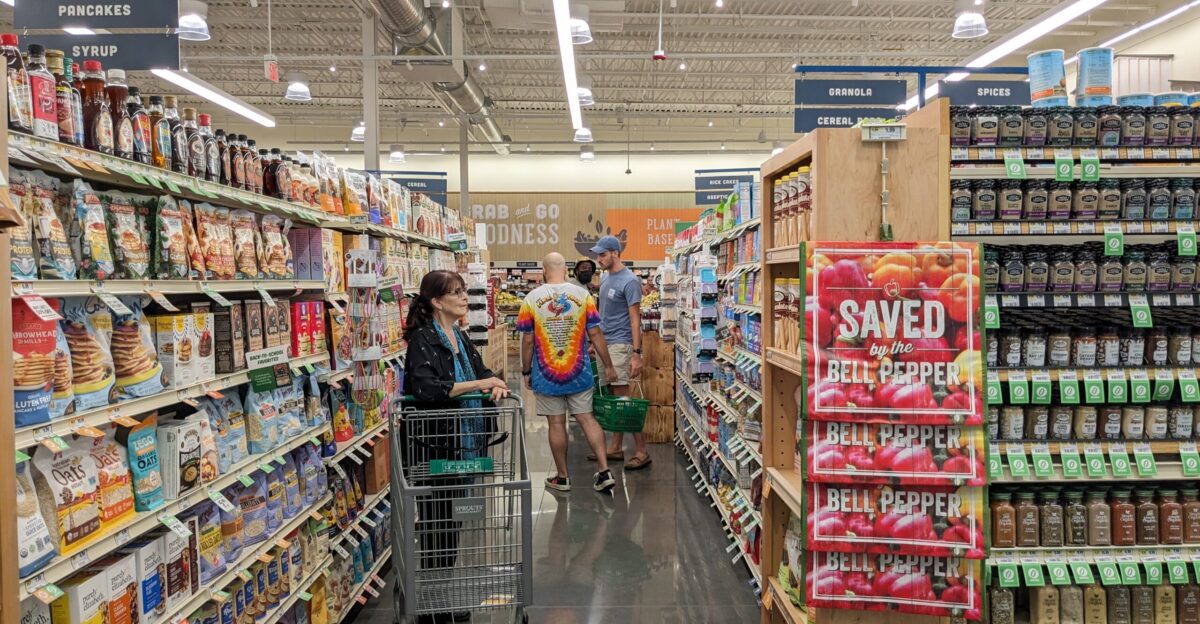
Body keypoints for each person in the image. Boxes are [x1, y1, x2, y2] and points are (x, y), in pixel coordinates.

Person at [402, 270, 509, 624]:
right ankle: (432, 609)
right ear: (436, 302)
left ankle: (440, 601)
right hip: (436, 447)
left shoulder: (460, 336)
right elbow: (427, 389)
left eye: (465, 291)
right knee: (436, 529)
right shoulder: (423, 339)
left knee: (449, 529)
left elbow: (483, 369)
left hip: (465, 445)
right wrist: (480, 382)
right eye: (457, 292)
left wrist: (493, 384)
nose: (465, 298)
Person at [518, 252, 619, 493]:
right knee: (586, 417)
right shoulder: (583, 296)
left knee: (556, 423)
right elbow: (595, 334)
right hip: (579, 370)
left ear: (544, 270)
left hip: (545, 371)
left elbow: (528, 340)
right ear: (565, 270)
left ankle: (563, 477)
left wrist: (525, 369)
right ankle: (604, 471)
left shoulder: (531, 299)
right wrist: (608, 365)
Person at [588, 235, 652, 470]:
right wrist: (596, 343)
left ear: (615, 253)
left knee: (624, 399)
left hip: (622, 345)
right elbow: (603, 314)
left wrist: (636, 353)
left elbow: (636, 320)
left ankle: (642, 450)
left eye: (603, 254)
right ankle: (615, 447)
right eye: (598, 254)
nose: (599, 259)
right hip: (606, 344)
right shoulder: (605, 278)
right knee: (614, 398)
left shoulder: (630, 281)